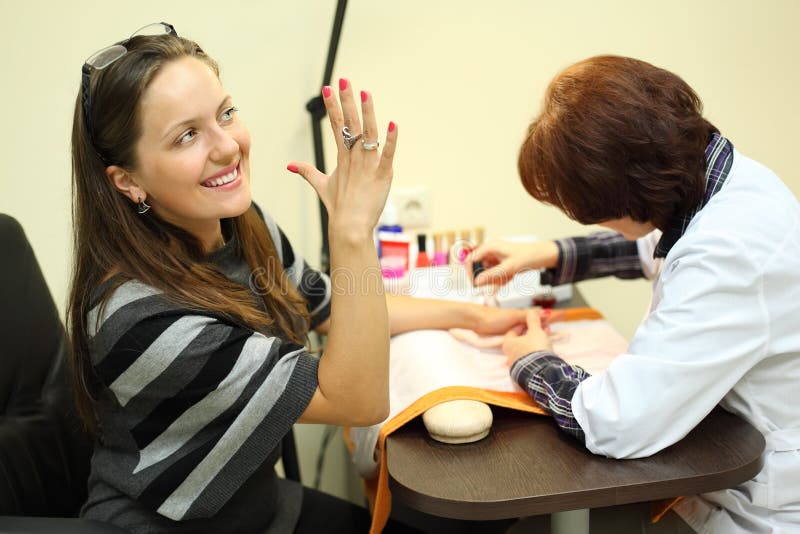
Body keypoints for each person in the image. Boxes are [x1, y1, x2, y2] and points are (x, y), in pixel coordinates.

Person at [68, 23, 526, 534]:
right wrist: (350, 231)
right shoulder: (143, 323)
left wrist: (476, 316)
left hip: (265, 509)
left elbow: (333, 305)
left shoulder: (242, 227)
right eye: (187, 135)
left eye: (226, 114)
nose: (228, 147)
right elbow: (357, 398)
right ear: (128, 181)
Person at [470, 55, 800, 533]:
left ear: (630, 194)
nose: (597, 224)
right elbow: (655, 244)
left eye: (594, 214)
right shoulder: (722, 176)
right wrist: (550, 253)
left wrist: (531, 358)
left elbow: (614, 422)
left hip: (758, 506)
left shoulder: (729, 252)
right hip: (717, 464)